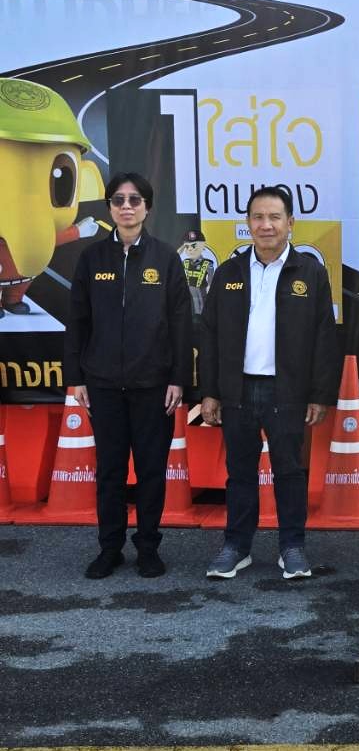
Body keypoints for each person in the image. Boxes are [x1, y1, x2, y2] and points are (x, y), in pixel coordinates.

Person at [200, 186, 341, 580]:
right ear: (248, 224)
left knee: (290, 472)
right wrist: (210, 391)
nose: (266, 225)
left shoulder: (310, 273)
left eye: (275, 217)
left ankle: (292, 547)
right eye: (258, 217)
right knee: (240, 473)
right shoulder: (228, 273)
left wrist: (319, 394)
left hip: (288, 392)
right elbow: (209, 335)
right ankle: (236, 547)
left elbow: (325, 337)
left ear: (290, 223)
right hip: (238, 390)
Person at [66, 171, 192, 579]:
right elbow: (78, 321)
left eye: (134, 200)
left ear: (147, 208)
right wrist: (76, 378)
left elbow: (181, 322)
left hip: (153, 385)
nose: (126, 207)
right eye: (118, 200)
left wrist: (178, 378)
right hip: (103, 384)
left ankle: (148, 547)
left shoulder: (166, 258)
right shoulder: (91, 259)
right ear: (109, 208)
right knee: (110, 471)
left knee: (152, 470)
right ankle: (110, 548)